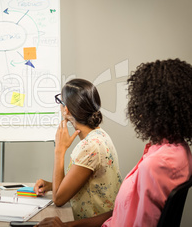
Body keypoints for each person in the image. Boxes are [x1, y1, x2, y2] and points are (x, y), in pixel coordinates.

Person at [36, 58, 192, 226]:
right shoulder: (177, 151)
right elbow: (120, 211)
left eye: (140, 103)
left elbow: (59, 199)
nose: (137, 110)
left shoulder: (155, 164)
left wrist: (59, 151)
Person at [33, 78, 122, 220]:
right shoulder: (100, 135)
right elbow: (83, 182)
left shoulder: (89, 147)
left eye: (60, 101)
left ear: (66, 109)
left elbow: (58, 199)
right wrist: (52, 186)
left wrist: (59, 150)